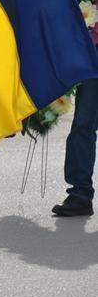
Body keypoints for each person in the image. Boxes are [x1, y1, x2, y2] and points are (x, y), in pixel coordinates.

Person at [53, 77, 98, 217]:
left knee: (83, 127)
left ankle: (81, 194)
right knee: (83, 126)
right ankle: (81, 195)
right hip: (92, 69)